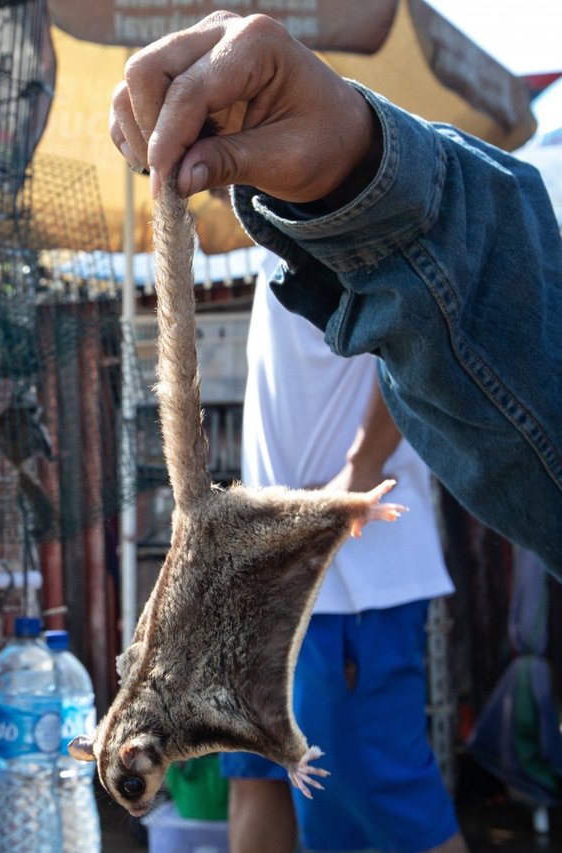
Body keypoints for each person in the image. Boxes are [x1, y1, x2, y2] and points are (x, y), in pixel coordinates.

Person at [107, 11, 562, 579]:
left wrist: (360, 467)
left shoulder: (327, 251)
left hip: (372, 540)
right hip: (301, 549)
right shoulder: (280, 248)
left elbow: (415, 339)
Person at [220, 248, 465, 853]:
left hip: (352, 578)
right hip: (274, 573)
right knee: (261, 781)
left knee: (387, 808)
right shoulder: (268, 205)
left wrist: (359, 471)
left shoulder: (348, 181)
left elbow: (419, 331)